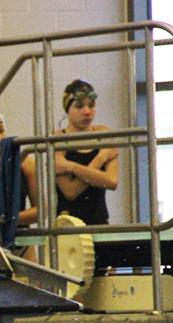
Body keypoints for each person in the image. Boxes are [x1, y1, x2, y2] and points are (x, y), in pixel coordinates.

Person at [54, 79, 119, 225]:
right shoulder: (58, 139)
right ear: (67, 109)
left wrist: (70, 166)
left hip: (99, 222)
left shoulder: (105, 133)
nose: (87, 112)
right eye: (79, 106)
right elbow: (70, 192)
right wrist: (101, 158)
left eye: (91, 105)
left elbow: (112, 181)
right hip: (67, 225)